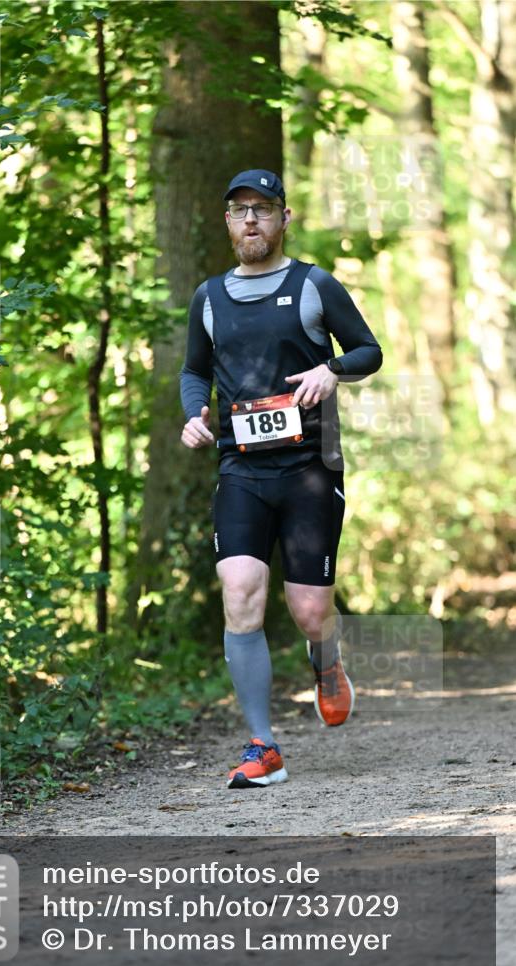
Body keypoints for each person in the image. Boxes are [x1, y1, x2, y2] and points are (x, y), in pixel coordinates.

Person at [179, 169, 383, 789]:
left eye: (263, 209)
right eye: (240, 210)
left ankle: (327, 659)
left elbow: (369, 350)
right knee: (240, 591)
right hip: (241, 469)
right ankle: (263, 746)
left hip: (309, 470)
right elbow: (194, 371)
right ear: (227, 221)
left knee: (310, 610)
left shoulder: (314, 285)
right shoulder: (208, 297)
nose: (251, 220)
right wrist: (194, 413)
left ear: (283, 218)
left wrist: (332, 370)